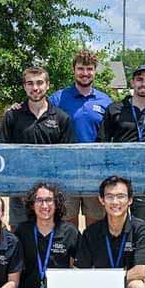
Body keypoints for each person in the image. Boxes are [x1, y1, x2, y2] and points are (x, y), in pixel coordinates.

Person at [0, 66, 75, 227]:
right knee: (19, 241)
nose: (35, 88)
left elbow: (66, 161)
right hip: (20, 193)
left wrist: (52, 192)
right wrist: (16, 186)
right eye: (30, 83)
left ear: (47, 85)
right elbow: (3, 154)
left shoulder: (62, 118)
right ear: (24, 86)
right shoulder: (12, 116)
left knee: (50, 240)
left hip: (51, 195)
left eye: (39, 83)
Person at [8, 182, 80, 288]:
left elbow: (79, 265)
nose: (44, 205)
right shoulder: (22, 231)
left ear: (57, 204)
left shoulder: (69, 231)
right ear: (32, 205)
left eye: (49, 200)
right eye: (39, 200)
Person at [98, 64, 145, 228]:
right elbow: (103, 141)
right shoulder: (115, 109)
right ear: (132, 82)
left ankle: (140, 254)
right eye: (139, 79)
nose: (143, 84)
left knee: (142, 226)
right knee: (115, 223)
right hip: (118, 176)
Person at [50, 49, 112, 228]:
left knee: (95, 226)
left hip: (95, 173)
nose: (85, 73)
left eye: (89, 69)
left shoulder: (105, 101)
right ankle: (71, 258)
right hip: (65, 173)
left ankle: (91, 257)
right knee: (68, 228)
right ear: (73, 70)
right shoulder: (58, 98)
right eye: (81, 68)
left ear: (95, 71)